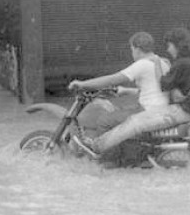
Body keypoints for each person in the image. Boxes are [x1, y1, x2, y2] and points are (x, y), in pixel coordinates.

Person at [67, 30, 172, 158]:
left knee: (104, 121)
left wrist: (83, 84)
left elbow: (112, 79)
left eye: (132, 49)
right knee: (119, 113)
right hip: (160, 110)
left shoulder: (142, 64)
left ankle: (107, 158)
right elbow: (154, 90)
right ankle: (121, 151)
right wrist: (126, 90)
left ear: (137, 49)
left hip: (147, 111)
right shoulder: (161, 63)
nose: (132, 53)